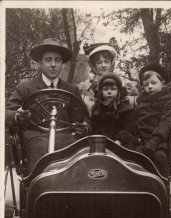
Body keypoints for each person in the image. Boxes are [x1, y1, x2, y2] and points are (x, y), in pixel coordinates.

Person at [5, 38, 91, 172]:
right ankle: (40, 189)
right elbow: (6, 112)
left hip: (66, 136)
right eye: (48, 60)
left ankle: (71, 190)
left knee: (76, 152)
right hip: (35, 136)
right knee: (40, 150)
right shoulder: (25, 88)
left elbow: (83, 117)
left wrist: (84, 126)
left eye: (57, 60)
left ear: (62, 63)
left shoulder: (71, 89)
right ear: (39, 63)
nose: (53, 65)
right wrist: (16, 115)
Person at [120, 64, 171, 178]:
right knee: (128, 158)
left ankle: (162, 186)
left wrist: (155, 141)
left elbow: (165, 123)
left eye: (153, 83)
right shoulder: (141, 103)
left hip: (158, 141)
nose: (149, 87)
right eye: (146, 85)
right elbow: (134, 123)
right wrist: (121, 138)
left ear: (163, 84)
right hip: (140, 141)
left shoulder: (169, 102)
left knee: (159, 157)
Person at [79, 43, 139, 116]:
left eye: (106, 62)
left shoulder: (124, 84)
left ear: (112, 63)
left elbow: (134, 107)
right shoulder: (87, 87)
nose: (103, 65)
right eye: (99, 62)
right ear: (94, 65)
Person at [91, 72, 132, 144]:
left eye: (113, 89)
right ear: (101, 91)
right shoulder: (97, 108)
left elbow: (129, 128)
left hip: (120, 142)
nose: (109, 92)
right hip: (100, 142)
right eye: (105, 89)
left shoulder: (125, 108)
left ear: (119, 91)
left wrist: (119, 141)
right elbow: (93, 125)